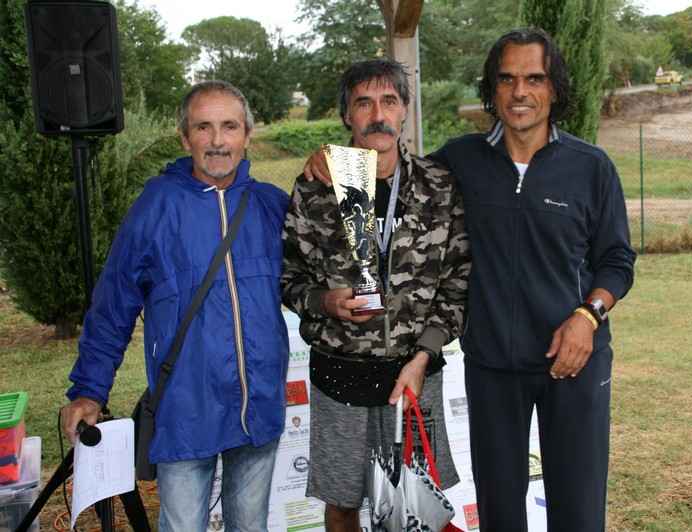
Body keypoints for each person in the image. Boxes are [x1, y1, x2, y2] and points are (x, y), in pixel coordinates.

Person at [304, 28, 636, 532]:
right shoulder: (459, 161)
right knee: (500, 511)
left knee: (579, 508)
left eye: (534, 78)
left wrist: (588, 316)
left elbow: (617, 258)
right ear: (492, 89)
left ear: (554, 88)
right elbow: (390, 164)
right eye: (506, 79)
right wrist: (333, 157)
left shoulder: (591, 167)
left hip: (573, 361)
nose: (519, 91)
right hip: (492, 366)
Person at [61, 80, 290, 531]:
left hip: (259, 406)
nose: (218, 140)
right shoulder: (155, 208)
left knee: (250, 526)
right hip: (187, 409)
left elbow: (320, 276)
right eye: (203, 127)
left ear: (247, 136)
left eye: (230, 126)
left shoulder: (271, 206)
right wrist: (90, 389)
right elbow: (113, 306)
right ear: (185, 138)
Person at [281, 58, 470, 531]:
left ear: (405, 110)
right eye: (363, 103)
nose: (378, 114)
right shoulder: (317, 187)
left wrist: (424, 355)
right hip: (340, 375)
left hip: (414, 374)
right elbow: (288, 276)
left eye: (389, 101)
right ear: (347, 114)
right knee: (343, 504)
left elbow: (456, 282)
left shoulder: (438, 185)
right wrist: (324, 302)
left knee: (417, 499)